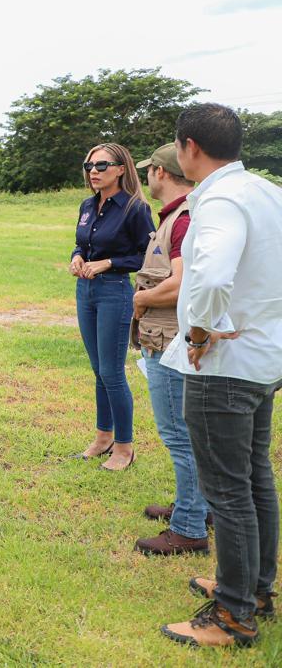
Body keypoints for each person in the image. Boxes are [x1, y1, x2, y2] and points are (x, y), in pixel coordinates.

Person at [158, 104, 282, 649]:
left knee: (228, 490)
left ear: (188, 148)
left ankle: (233, 615)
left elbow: (210, 277)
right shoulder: (266, 192)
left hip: (224, 367)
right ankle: (254, 588)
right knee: (255, 478)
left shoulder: (221, 201)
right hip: (263, 358)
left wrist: (201, 334)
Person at [130, 143, 209, 556]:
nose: (147, 177)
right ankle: (196, 506)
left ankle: (189, 528)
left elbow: (182, 285)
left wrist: (142, 300)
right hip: (170, 339)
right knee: (188, 435)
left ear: (161, 173)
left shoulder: (181, 220)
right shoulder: (179, 216)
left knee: (180, 437)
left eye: (150, 171)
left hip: (171, 342)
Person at [70, 143, 154, 471]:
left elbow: (148, 255)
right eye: (89, 164)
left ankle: (124, 446)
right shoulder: (88, 205)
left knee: (112, 372)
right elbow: (81, 242)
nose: (94, 170)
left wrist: (108, 263)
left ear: (121, 169)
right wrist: (77, 257)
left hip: (114, 292)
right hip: (85, 291)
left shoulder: (134, 208)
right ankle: (103, 437)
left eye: (102, 165)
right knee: (98, 370)